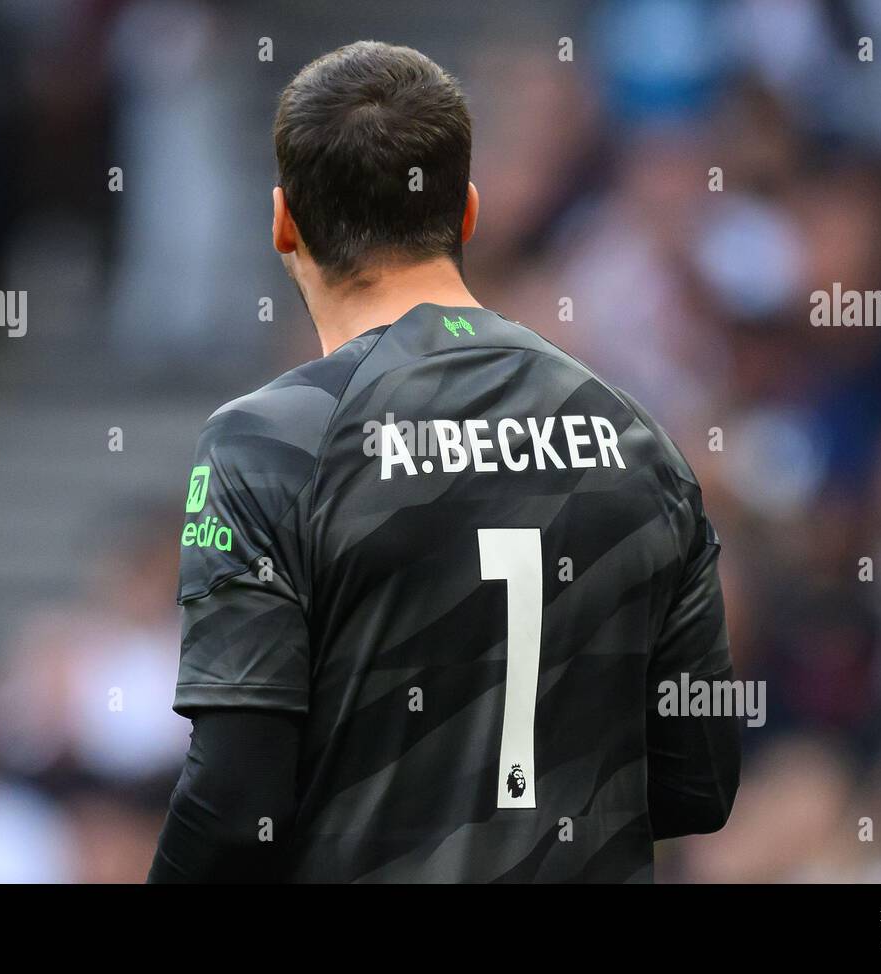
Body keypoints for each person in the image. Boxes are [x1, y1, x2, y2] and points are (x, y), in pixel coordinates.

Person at [148, 40, 739, 883]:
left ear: (284, 222)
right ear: (465, 212)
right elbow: (700, 782)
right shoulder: (641, 436)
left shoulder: (272, 442)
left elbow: (236, 803)